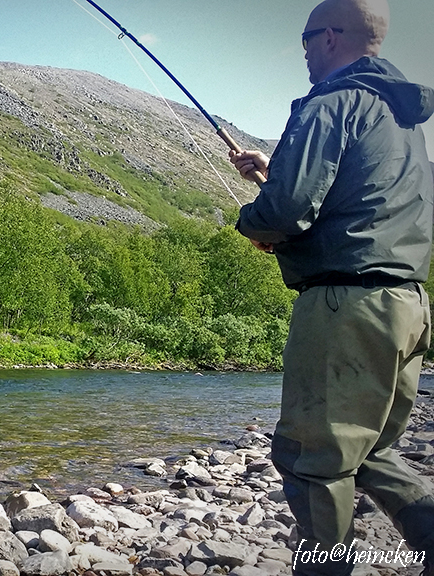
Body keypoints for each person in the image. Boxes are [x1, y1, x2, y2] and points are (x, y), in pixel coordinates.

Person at [229, 0, 434, 574]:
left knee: (312, 457)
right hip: (406, 304)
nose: (302, 50)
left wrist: (254, 223)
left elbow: (288, 211)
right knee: (371, 451)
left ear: (331, 37)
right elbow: (360, 205)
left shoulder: (332, 102)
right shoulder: (400, 118)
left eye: (305, 38)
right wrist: (276, 171)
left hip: (347, 306)